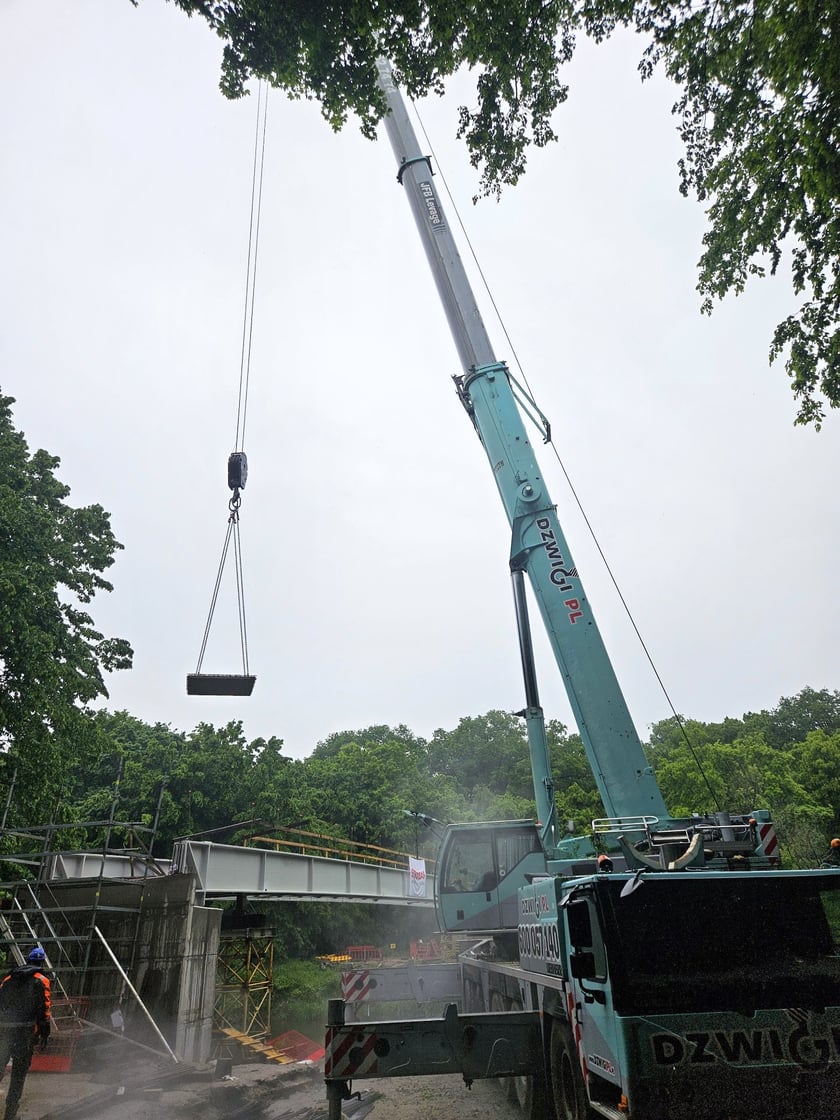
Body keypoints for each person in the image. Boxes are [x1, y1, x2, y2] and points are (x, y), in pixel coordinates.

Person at [0, 948, 51, 1120]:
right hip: (24, 1033)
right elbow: (44, 1010)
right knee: (18, 1074)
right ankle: (10, 1115)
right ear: (41, 963)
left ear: (28, 960)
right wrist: (44, 1034)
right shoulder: (41, 980)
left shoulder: (9, 978)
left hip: (4, 1031)